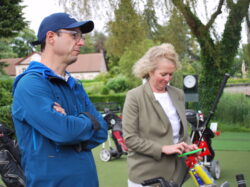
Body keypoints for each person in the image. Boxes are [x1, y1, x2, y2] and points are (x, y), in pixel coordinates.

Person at [12, 12, 108, 187]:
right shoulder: (30, 84)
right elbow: (65, 132)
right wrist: (86, 120)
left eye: (81, 36)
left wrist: (70, 124)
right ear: (51, 37)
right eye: (74, 35)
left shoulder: (74, 84)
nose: (82, 42)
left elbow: (101, 130)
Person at [122, 43, 199, 187]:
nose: (168, 79)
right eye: (163, 74)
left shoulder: (178, 94)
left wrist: (187, 146)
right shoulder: (134, 96)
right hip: (146, 176)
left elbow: (182, 133)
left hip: (176, 175)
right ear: (150, 71)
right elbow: (130, 139)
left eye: (171, 74)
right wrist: (163, 148)